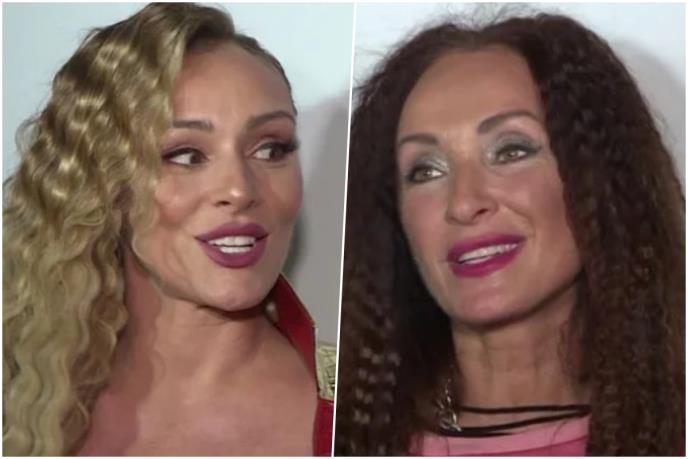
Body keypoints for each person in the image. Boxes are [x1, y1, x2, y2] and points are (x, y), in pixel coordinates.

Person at [335, 12, 684, 456]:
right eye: (426, 170)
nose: (464, 202)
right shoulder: (342, 435)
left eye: (511, 151)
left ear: (597, 181)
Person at [3, 3, 334, 456]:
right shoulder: (18, 389)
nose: (240, 190)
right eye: (185, 155)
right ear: (104, 183)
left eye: (271, 149)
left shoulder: (363, 413)